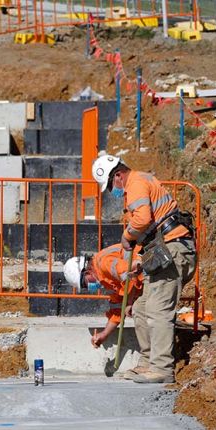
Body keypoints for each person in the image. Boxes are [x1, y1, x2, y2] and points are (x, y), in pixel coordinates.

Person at [91, 153, 197, 385]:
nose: (112, 191)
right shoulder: (137, 184)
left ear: (117, 175)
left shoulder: (136, 183)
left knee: (158, 310)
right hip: (162, 250)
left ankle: (162, 368)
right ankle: (148, 362)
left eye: (110, 186)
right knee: (140, 307)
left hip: (174, 248)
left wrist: (127, 235)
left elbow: (141, 219)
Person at [63, 245, 150, 380]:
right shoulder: (105, 280)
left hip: (150, 270)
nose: (89, 287)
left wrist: (129, 303)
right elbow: (117, 310)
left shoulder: (104, 264)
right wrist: (104, 335)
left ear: (86, 271)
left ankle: (149, 362)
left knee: (139, 309)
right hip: (145, 279)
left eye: (85, 283)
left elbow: (130, 274)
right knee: (139, 307)